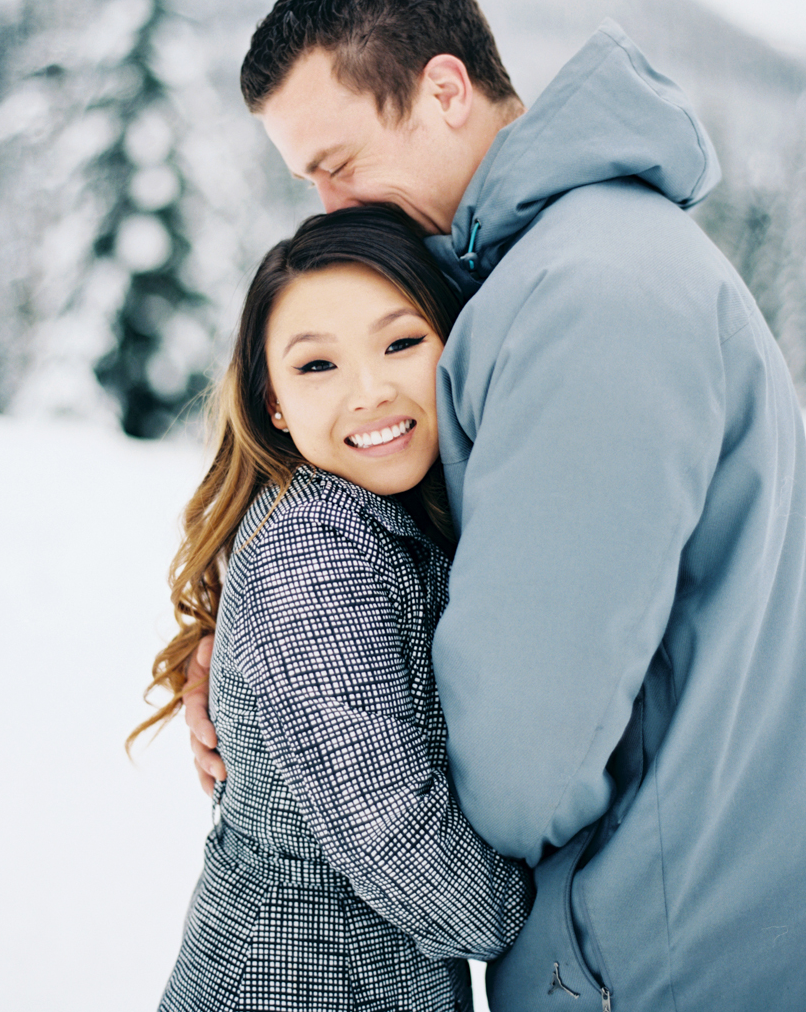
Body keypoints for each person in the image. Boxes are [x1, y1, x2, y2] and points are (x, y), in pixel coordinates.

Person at [185, 0, 806, 1010]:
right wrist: (276, 667)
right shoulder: (556, 271)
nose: (330, 206)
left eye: (337, 162)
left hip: (650, 951)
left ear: (442, 90)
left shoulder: (587, 293)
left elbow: (524, 756)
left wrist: (316, 724)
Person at [132, 205, 532, 1012]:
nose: (370, 391)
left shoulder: (389, 510)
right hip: (306, 983)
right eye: (318, 367)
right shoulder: (314, 557)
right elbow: (401, 844)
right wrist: (554, 904)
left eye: (401, 342)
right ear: (273, 402)